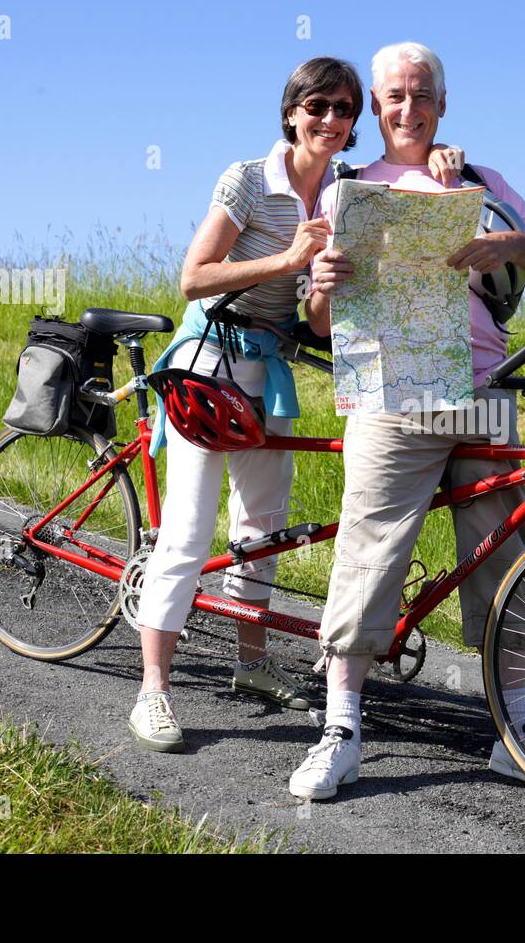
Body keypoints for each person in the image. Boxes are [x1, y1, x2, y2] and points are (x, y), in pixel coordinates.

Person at [129, 57, 461, 753]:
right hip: (209, 363)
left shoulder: (344, 193)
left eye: (344, 110)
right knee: (188, 532)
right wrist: (286, 260)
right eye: (318, 108)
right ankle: (153, 689)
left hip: (269, 370)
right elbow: (194, 278)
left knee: (263, 528)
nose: (332, 122)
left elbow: (316, 323)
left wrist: (438, 166)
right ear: (291, 113)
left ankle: (251, 666)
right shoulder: (249, 178)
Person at [292, 41, 525, 797]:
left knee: (501, 563)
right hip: (390, 393)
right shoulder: (346, 190)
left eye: (421, 94)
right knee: (368, 554)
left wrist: (504, 241)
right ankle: (341, 729)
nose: (408, 108)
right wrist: (320, 283)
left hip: (483, 388)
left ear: (442, 104)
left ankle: (513, 730)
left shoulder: (479, 181)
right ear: (375, 108)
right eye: (393, 95)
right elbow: (321, 325)